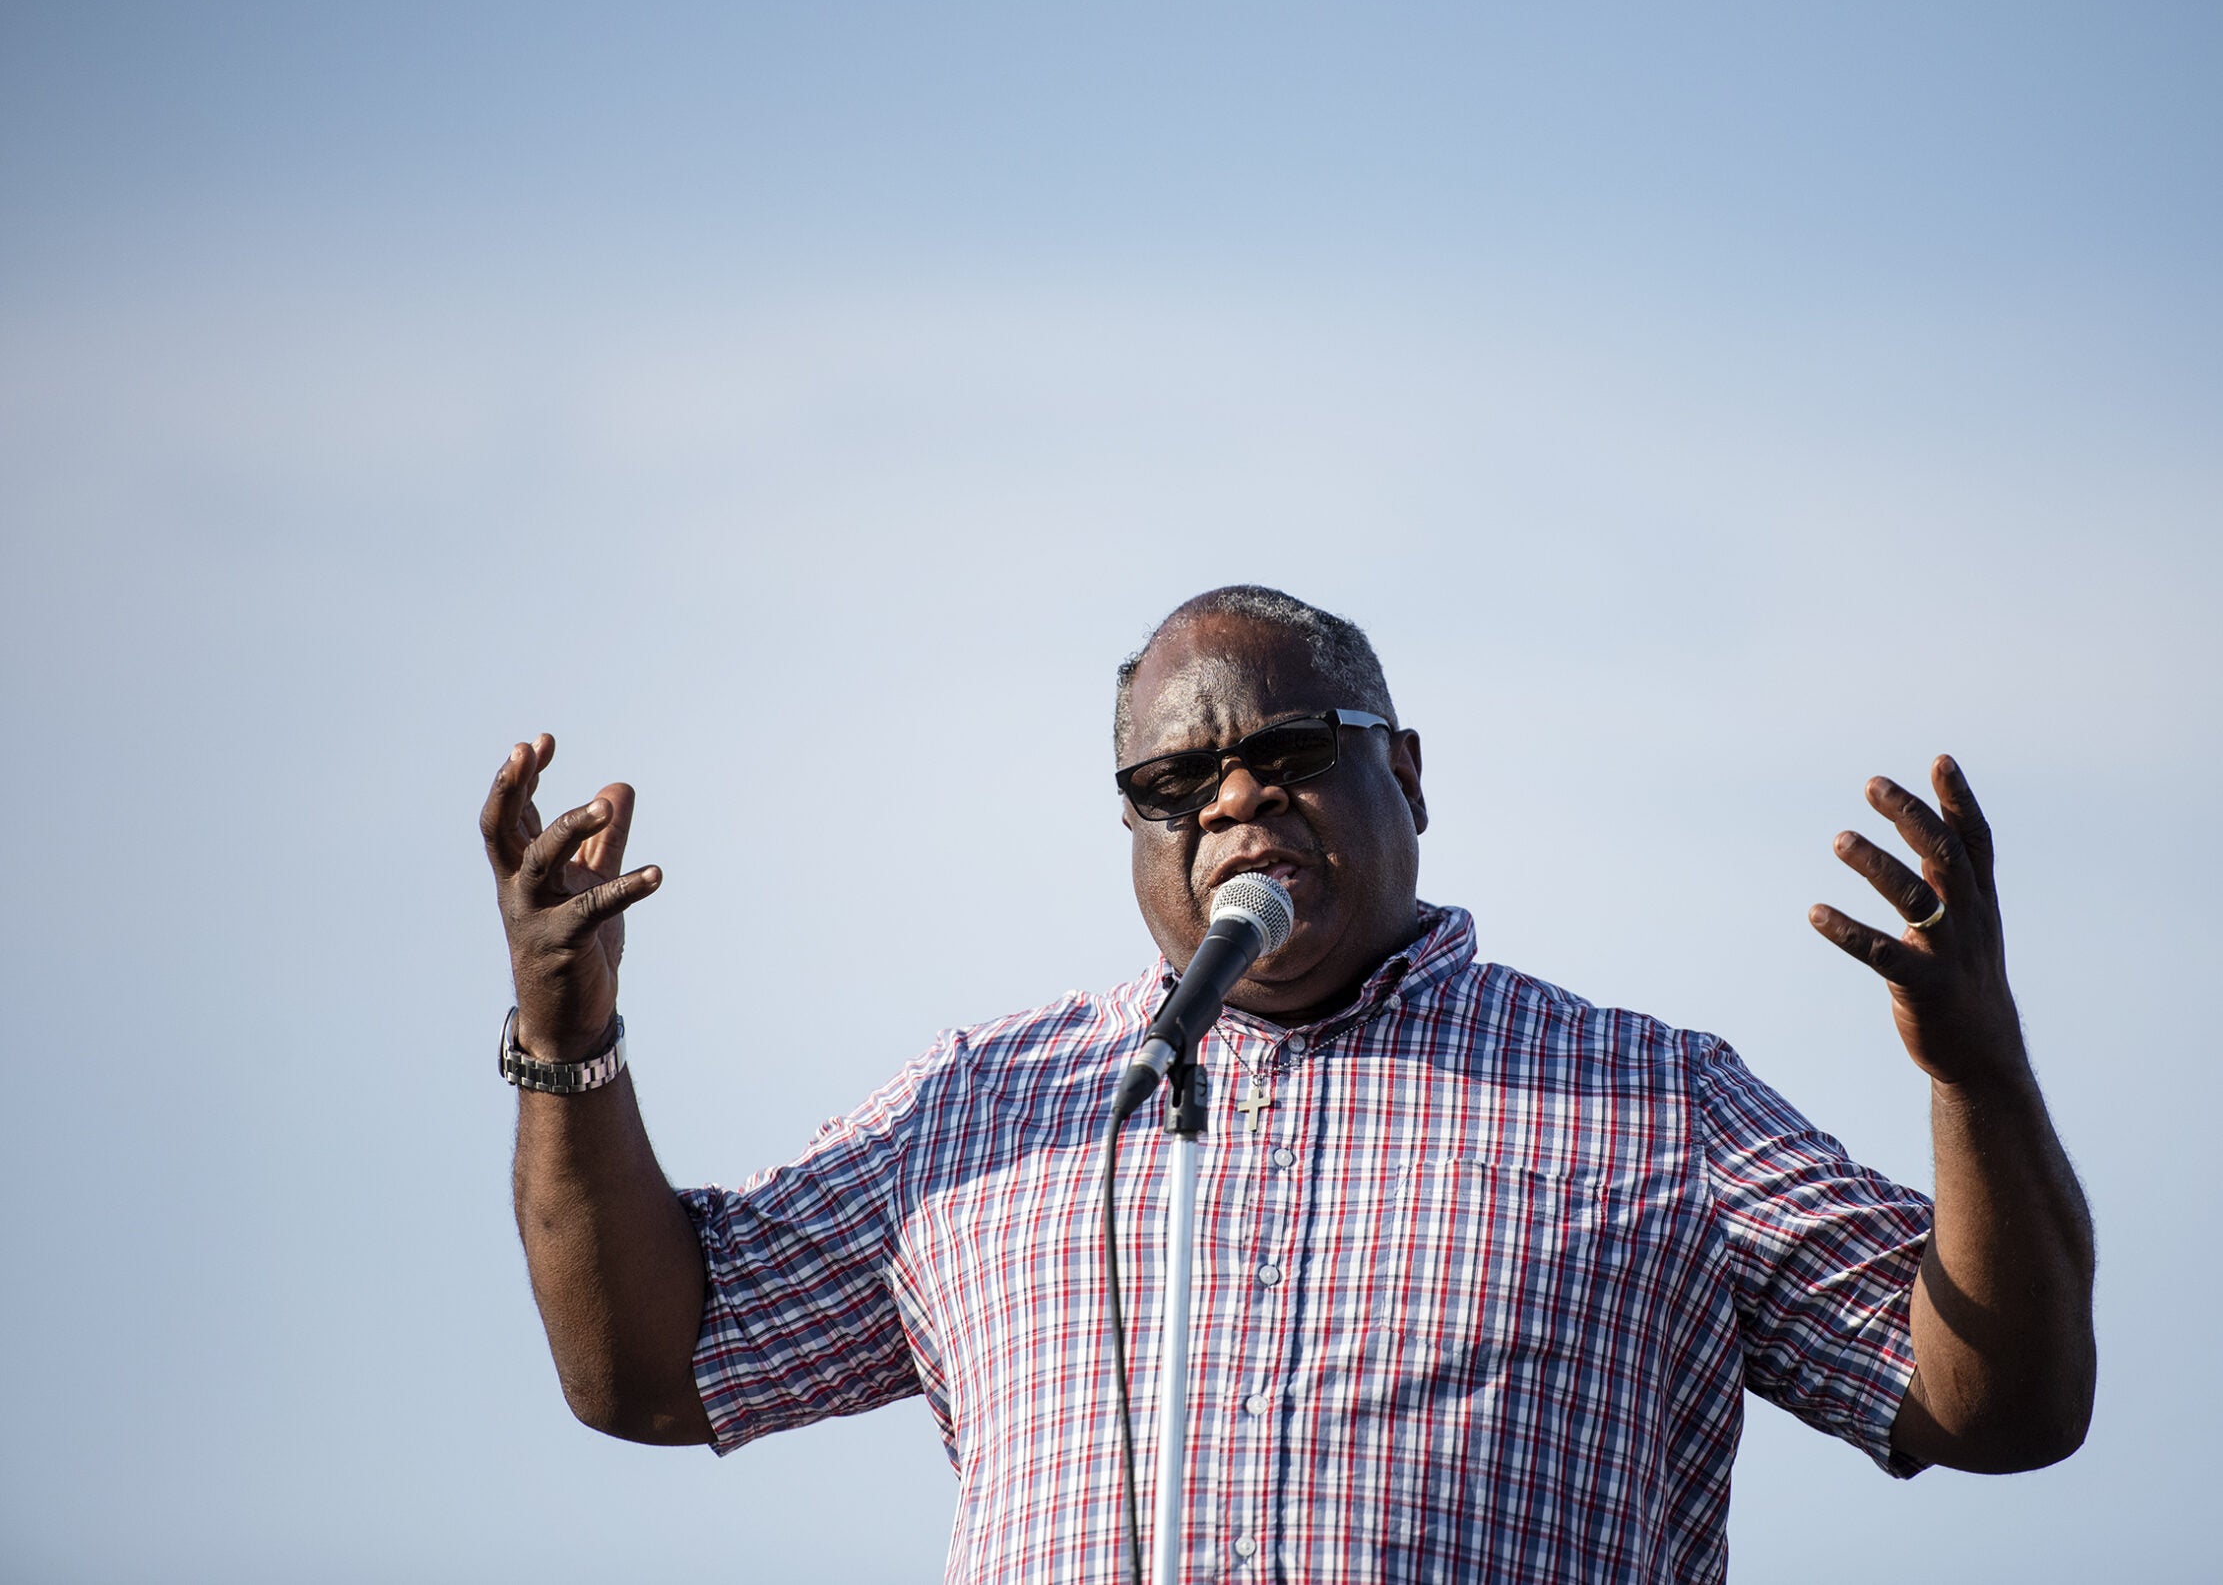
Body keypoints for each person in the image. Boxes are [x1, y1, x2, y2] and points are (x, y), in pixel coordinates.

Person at [482, 584, 2095, 1582]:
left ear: (1405, 773)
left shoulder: (1648, 1103)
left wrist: (1977, 1070)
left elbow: (2000, 1406)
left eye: (1293, 750)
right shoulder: (992, 1106)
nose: (1238, 797)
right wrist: (563, 1040)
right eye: (1176, 783)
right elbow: (653, 1369)